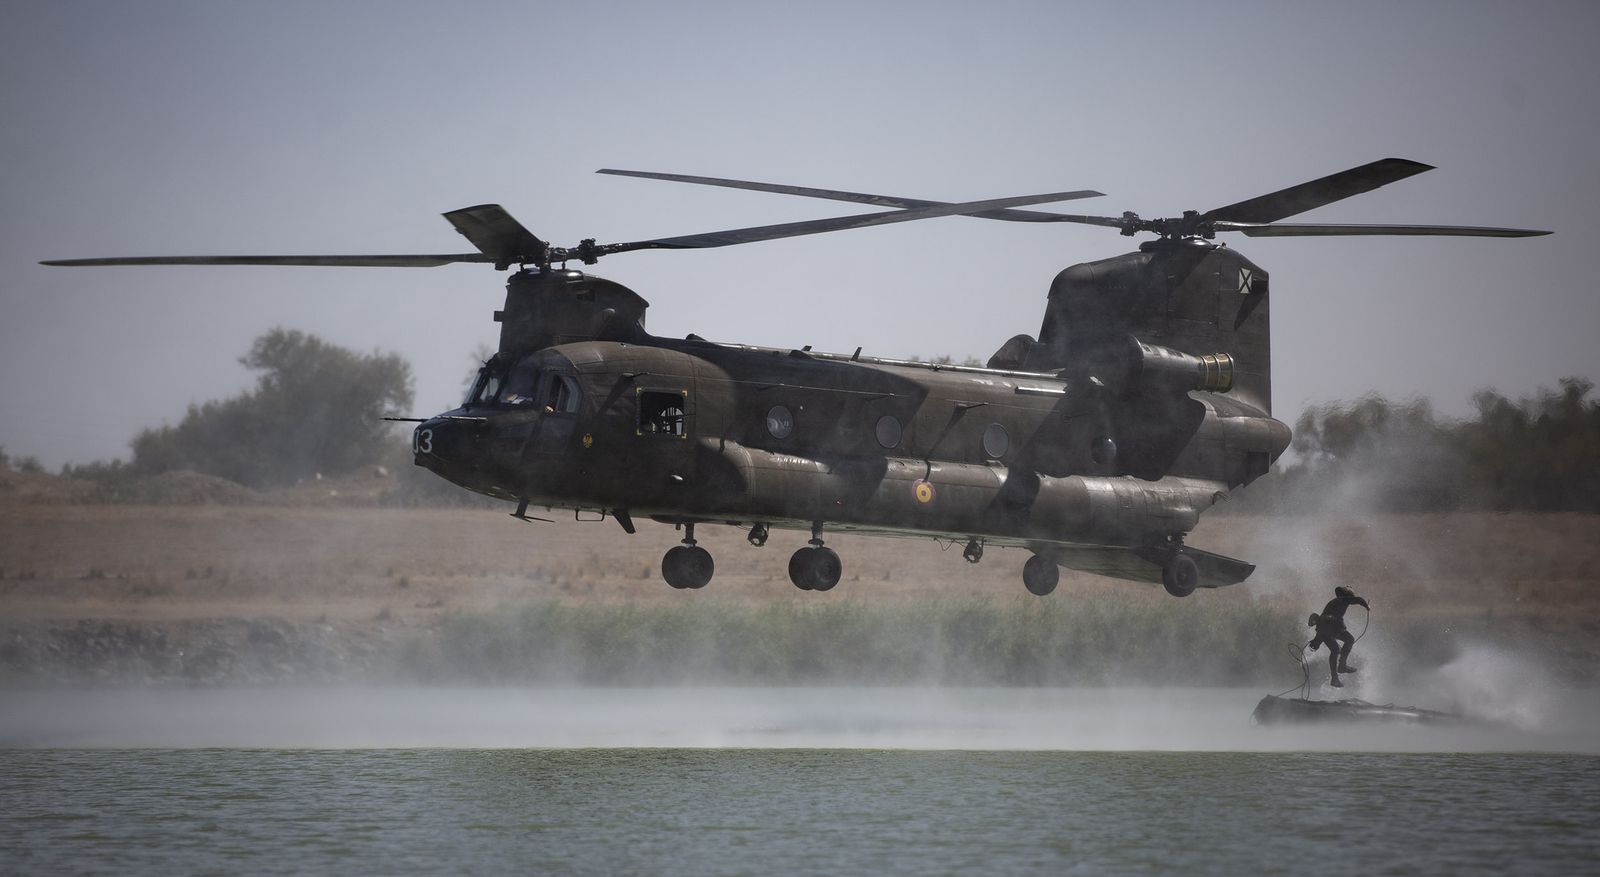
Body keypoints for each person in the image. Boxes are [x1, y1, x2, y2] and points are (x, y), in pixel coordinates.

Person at [1307, 586, 1370, 687]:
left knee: (1335, 650)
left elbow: (1322, 626)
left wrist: (1316, 642)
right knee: (1349, 639)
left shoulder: (1333, 602)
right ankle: (1342, 666)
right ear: (1347, 595)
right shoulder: (1344, 599)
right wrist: (1367, 606)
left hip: (1323, 628)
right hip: (1331, 627)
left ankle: (1335, 679)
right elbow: (1359, 600)